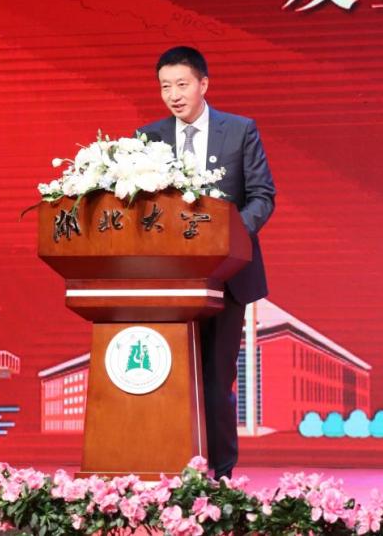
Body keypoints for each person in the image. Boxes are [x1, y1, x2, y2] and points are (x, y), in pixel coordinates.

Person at [139, 46, 276, 479]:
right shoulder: (148, 138)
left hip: (226, 275)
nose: (173, 95)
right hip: (168, 278)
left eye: (181, 84)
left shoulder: (239, 131)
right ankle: (167, 469)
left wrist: (227, 237)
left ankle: (220, 474)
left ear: (203, 84)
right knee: (169, 375)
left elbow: (262, 196)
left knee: (216, 379)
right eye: (165, 86)